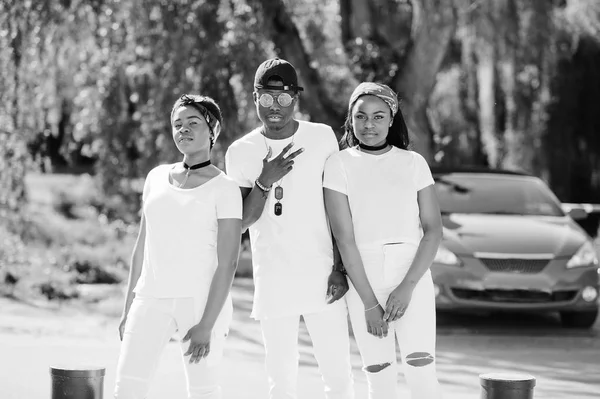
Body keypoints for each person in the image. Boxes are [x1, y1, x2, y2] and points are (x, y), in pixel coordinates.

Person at [225, 58, 354, 399]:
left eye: (283, 98)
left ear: (295, 99)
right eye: (267, 98)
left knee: (338, 377)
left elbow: (338, 207)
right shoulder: (241, 151)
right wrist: (264, 182)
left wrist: (341, 268)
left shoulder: (322, 137)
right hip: (273, 278)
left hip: (322, 275)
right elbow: (241, 223)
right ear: (255, 98)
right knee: (280, 381)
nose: (275, 107)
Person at [114, 94, 242, 399]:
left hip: (200, 304)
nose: (182, 129)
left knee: (203, 392)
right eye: (177, 124)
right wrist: (128, 308)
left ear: (214, 130)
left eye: (193, 123)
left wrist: (206, 325)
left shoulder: (225, 188)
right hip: (150, 298)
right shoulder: (156, 178)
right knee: (127, 388)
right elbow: (142, 246)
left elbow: (228, 263)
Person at [323, 82, 443, 399]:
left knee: (422, 370)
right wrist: (370, 304)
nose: (369, 125)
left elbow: (433, 231)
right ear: (351, 120)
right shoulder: (338, 165)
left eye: (378, 117)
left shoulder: (414, 163)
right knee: (380, 374)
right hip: (364, 276)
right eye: (360, 117)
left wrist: (407, 287)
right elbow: (345, 239)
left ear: (391, 120)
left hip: (412, 273)